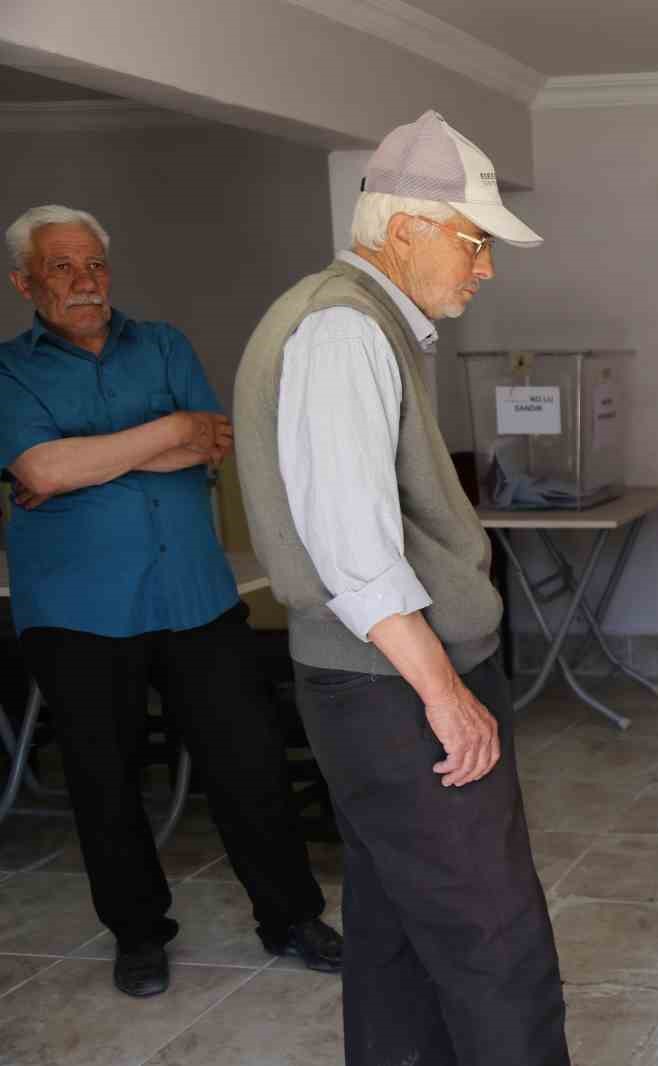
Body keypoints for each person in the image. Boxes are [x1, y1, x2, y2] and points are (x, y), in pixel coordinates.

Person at [233, 112, 568, 1066]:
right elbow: (354, 553)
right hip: (392, 690)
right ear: (407, 226)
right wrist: (445, 694)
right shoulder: (342, 331)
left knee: (393, 945)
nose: (484, 266)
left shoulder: (357, 318)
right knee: (495, 943)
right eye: (474, 242)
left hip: (374, 688)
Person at [0, 204, 339, 998]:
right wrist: (162, 432)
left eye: (95, 265)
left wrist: (93, 457)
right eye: (62, 268)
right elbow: (40, 472)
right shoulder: (8, 370)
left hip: (195, 594)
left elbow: (208, 442)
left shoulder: (162, 344)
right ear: (25, 282)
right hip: (78, 611)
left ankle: (290, 917)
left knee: (249, 765)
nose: (85, 283)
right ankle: (139, 935)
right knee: (104, 781)